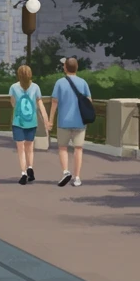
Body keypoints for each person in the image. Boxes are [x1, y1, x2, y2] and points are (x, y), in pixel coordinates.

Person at [49, 57, 91, 188]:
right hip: (80, 121)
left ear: (65, 67)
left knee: (63, 148)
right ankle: (77, 177)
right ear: (77, 68)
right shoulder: (83, 82)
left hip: (64, 121)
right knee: (78, 149)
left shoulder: (60, 83)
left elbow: (54, 103)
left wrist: (50, 120)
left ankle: (66, 172)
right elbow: (89, 100)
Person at [10, 65, 48, 184]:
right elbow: (40, 104)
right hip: (32, 121)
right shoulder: (35, 87)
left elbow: (13, 104)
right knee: (30, 148)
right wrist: (46, 120)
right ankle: (30, 167)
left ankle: (23, 173)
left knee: (20, 149)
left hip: (18, 122)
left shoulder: (13, 87)